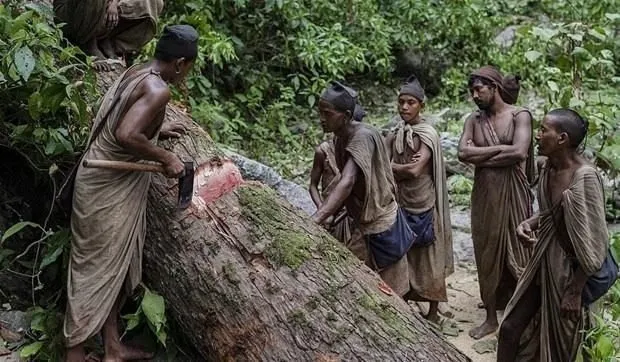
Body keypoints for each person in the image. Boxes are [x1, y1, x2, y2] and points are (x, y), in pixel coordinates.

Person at [64, 25, 198, 362]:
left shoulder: (138, 71)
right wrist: (166, 157)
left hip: (104, 178)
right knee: (92, 271)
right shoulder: (158, 90)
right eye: (190, 68)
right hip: (104, 184)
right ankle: (74, 352)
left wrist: (155, 127)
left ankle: (113, 348)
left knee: (113, 266)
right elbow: (125, 133)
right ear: (181, 63)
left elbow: (126, 114)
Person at [497, 109, 611, 361]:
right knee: (509, 327)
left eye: (543, 130)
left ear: (562, 138)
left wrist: (575, 290)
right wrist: (530, 222)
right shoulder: (548, 167)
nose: (537, 135)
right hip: (543, 261)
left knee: (566, 345)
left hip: (571, 273)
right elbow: (553, 213)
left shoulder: (585, 178)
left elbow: (595, 241)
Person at [312, 81, 412, 297]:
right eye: (320, 113)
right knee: (360, 285)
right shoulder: (340, 138)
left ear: (346, 115)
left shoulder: (363, 136)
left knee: (391, 294)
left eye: (327, 113)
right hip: (362, 223)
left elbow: (347, 181)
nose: (321, 119)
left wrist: (316, 218)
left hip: (381, 224)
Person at [457, 65, 535, 339]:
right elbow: (462, 153)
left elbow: (519, 152)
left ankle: (524, 312)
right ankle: (490, 317)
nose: (475, 95)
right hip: (485, 196)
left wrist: (482, 155)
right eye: (472, 90)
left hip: (514, 193)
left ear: (495, 88)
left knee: (519, 248)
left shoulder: (519, 115)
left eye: (479, 89)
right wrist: (501, 149)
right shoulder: (473, 120)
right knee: (487, 251)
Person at [385, 76, 453, 323]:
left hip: (424, 201)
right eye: (401, 102)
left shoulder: (426, 134)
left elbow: (414, 170)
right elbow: (383, 163)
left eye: (410, 102)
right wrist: (396, 167)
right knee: (404, 253)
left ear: (421, 105)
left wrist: (393, 167)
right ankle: (405, 301)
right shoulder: (395, 134)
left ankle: (434, 312)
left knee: (429, 255)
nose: (404, 107)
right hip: (402, 201)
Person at [53, 0, 164, 69]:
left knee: (154, 1)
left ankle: (108, 39)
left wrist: (114, 4)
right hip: (70, 15)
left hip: (101, 9)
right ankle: (88, 43)